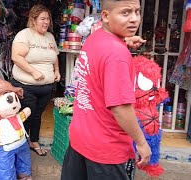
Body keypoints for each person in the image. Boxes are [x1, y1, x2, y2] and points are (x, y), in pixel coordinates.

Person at [61, 1, 152, 180]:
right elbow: (120, 107)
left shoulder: (94, 37)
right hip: (107, 151)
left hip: (80, 140)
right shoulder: (117, 54)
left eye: (137, 12)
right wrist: (141, 143)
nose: (134, 19)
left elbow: (106, 46)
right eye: (125, 13)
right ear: (105, 16)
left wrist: (123, 41)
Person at [10, 4, 60, 156]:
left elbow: (54, 56)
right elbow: (16, 57)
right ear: (33, 20)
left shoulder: (50, 37)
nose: (46, 22)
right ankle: (21, 145)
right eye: (42, 19)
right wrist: (33, 71)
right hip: (26, 86)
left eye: (48, 19)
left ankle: (34, 140)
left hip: (46, 87)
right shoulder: (24, 35)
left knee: (38, 114)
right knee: (26, 115)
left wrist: (57, 70)